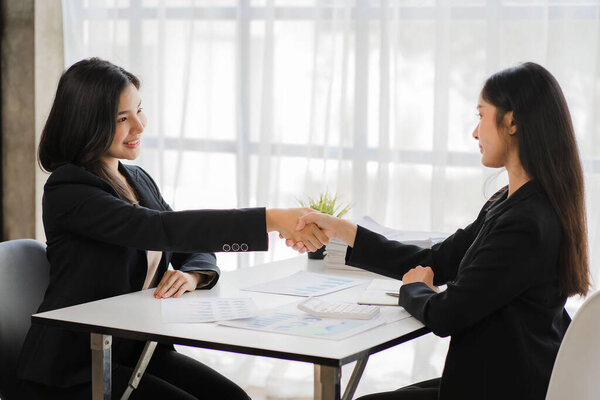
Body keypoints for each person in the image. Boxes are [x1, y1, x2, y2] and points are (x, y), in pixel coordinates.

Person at [17, 57, 327, 399]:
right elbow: (157, 229)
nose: (139, 126)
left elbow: (190, 245)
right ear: (87, 124)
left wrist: (193, 275)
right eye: (122, 118)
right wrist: (268, 219)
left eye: (139, 110)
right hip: (75, 367)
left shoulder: (135, 179)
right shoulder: (69, 189)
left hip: (137, 349)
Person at [292, 62, 590, 400]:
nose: (475, 133)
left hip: (502, 387)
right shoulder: (509, 202)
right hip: (499, 378)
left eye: (481, 116)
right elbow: (436, 259)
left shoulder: (526, 223)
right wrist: (345, 232)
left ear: (512, 121)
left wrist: (414, 290)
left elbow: (448, 314)